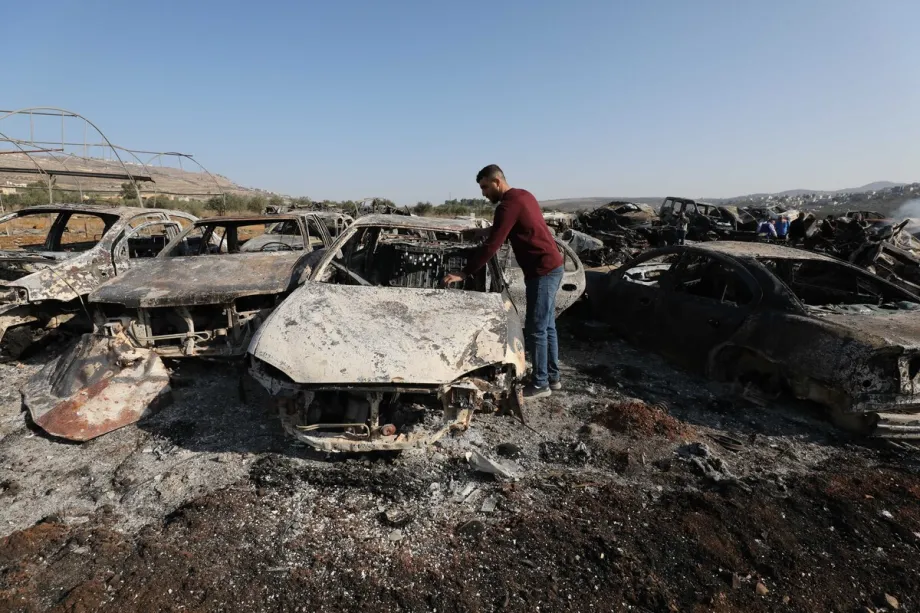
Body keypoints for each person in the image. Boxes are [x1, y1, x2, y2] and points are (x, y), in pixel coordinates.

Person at [442, 165, 563, 399]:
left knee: (537, 329)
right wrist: (484, 232)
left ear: (497, 182)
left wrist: (464, 273)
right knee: (547, 326)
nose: (483, 193)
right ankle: (552, 377)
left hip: (542, 271)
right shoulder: (523, 195)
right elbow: (506, 228)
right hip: (552, 265)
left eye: (485, 187)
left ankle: (540, 384)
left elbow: (493, 246)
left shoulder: (507, 206)